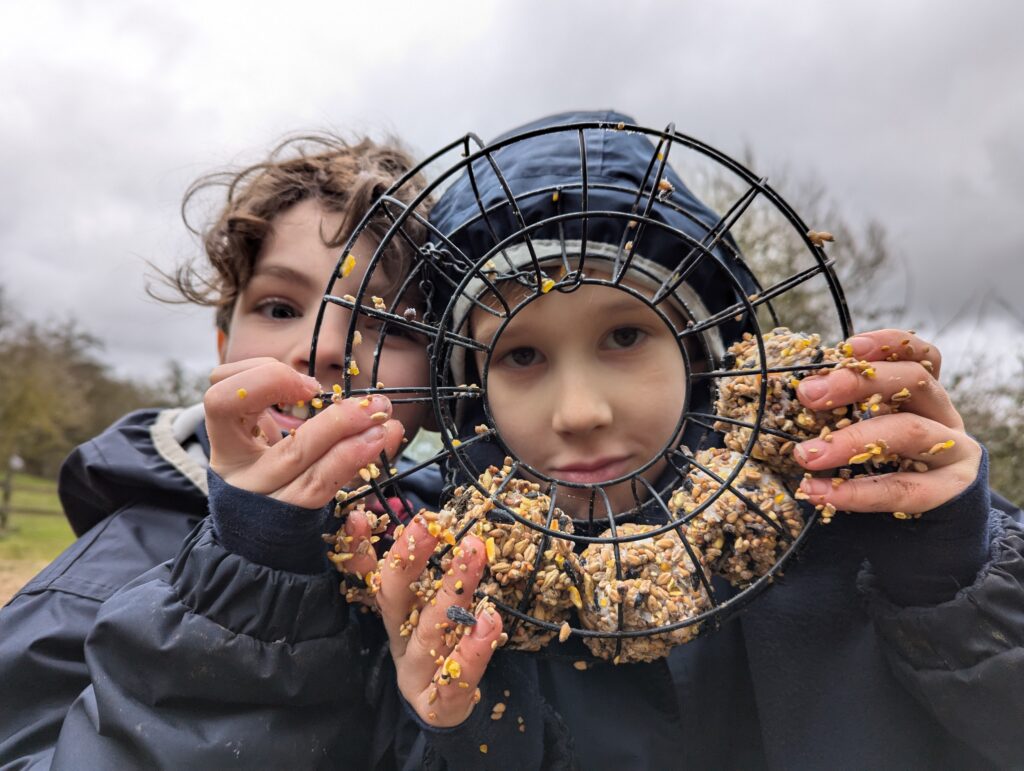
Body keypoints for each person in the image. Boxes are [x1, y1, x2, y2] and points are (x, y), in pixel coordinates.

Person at [366, 110, 1024, 769]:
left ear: (698, 343)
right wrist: (469, 738)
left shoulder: (851, 496)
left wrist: (954, 577)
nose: (581, 411)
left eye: (624, 336)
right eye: (522, 355)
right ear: (472, 387)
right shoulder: (428, 571)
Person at [0, 133, 439, 767]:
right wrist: (246, 577)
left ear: (439, 385)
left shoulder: (453, 560)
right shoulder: (105, 576)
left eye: (392, 325)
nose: (323, 349)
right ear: (222, 347)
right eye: (282, 306)